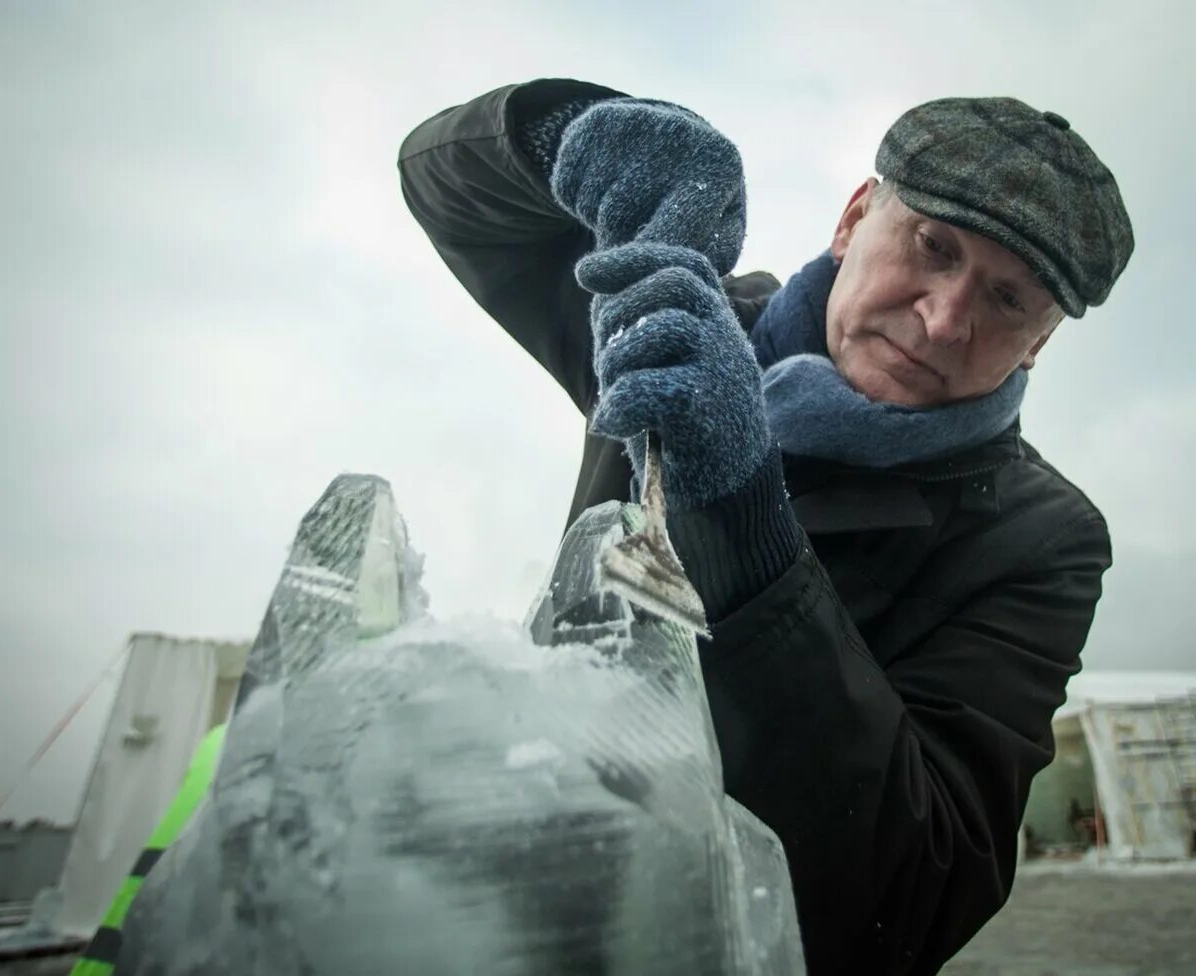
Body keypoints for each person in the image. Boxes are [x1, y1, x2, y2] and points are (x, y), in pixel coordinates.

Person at [399, 78, 1133, 974]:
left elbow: (913, 898)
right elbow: (453, 198)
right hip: (502, 901)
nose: (945, 319)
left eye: (1009, 300)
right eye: (933, 245)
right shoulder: (683, 309)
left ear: (1039, 343)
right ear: (855, 216)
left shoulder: (1040, 539)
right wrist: (564, 139)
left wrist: (744, 519)